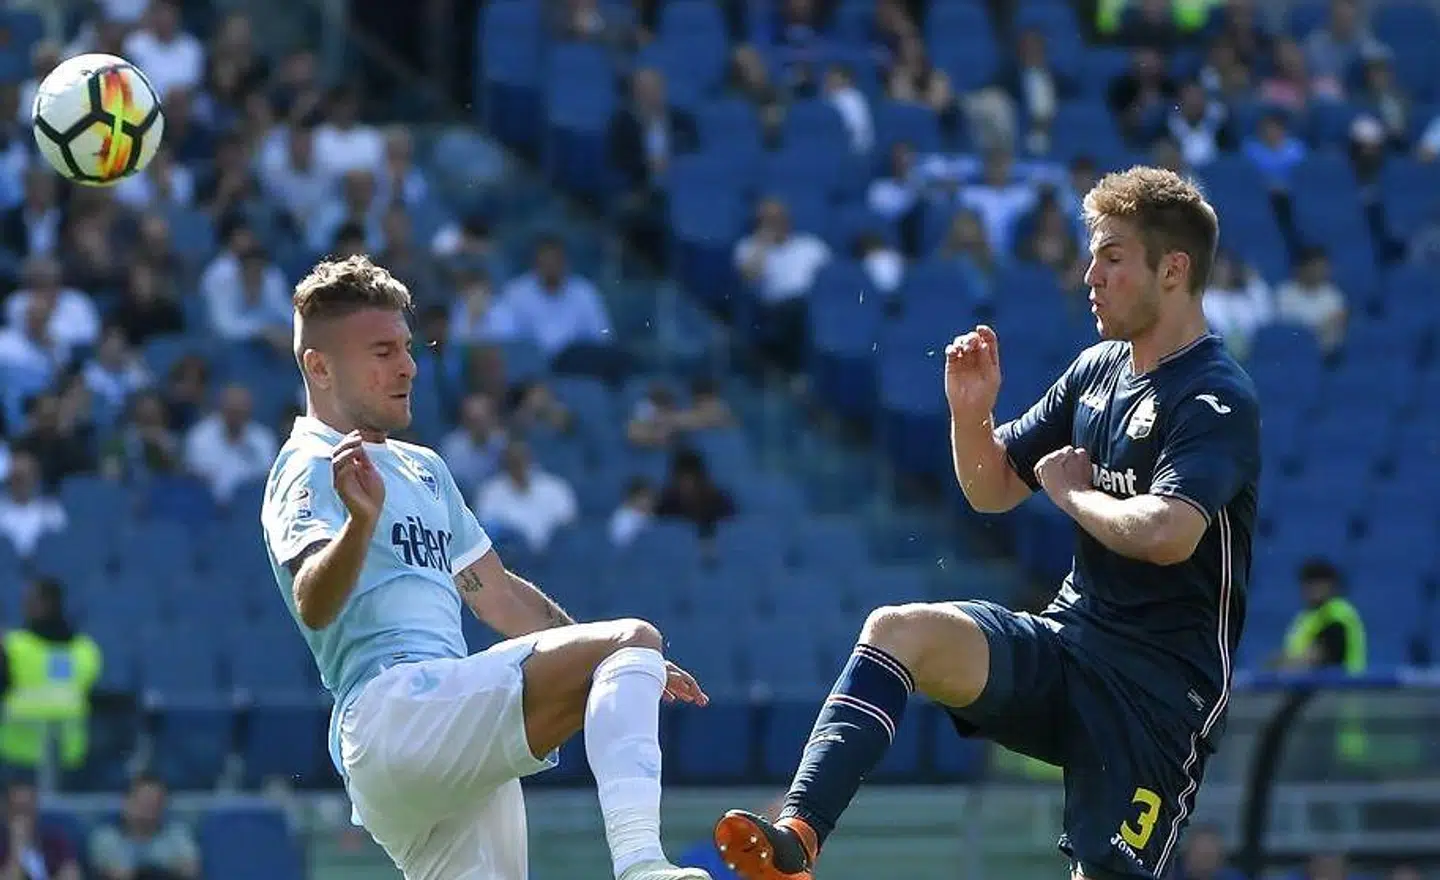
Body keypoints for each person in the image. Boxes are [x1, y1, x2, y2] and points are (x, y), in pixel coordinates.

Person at [713, 167, 1260, 880]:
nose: (1089, 275)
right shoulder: (1097, 372)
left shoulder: (1216, 396)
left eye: (1112, 257)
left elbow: (1168, 533)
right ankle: (798, 840)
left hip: (1158, 695)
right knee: (897, 631)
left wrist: (1072, 497)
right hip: (1070, 644)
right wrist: (970, 416)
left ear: (1173, 270)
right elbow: (992, 487)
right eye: (1092, 255)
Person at [260, 255, 712, 880]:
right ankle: (642, 865)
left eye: (407, 348)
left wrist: (611, 662)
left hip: (440, 733)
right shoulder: (306, 463)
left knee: (626, 644)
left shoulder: (423, 468)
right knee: (634, 635)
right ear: (320, 367)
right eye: (383, 352)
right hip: (392, 710)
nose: (408, 367)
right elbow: (313, 601)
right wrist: (360, 525)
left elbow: (497, 596)